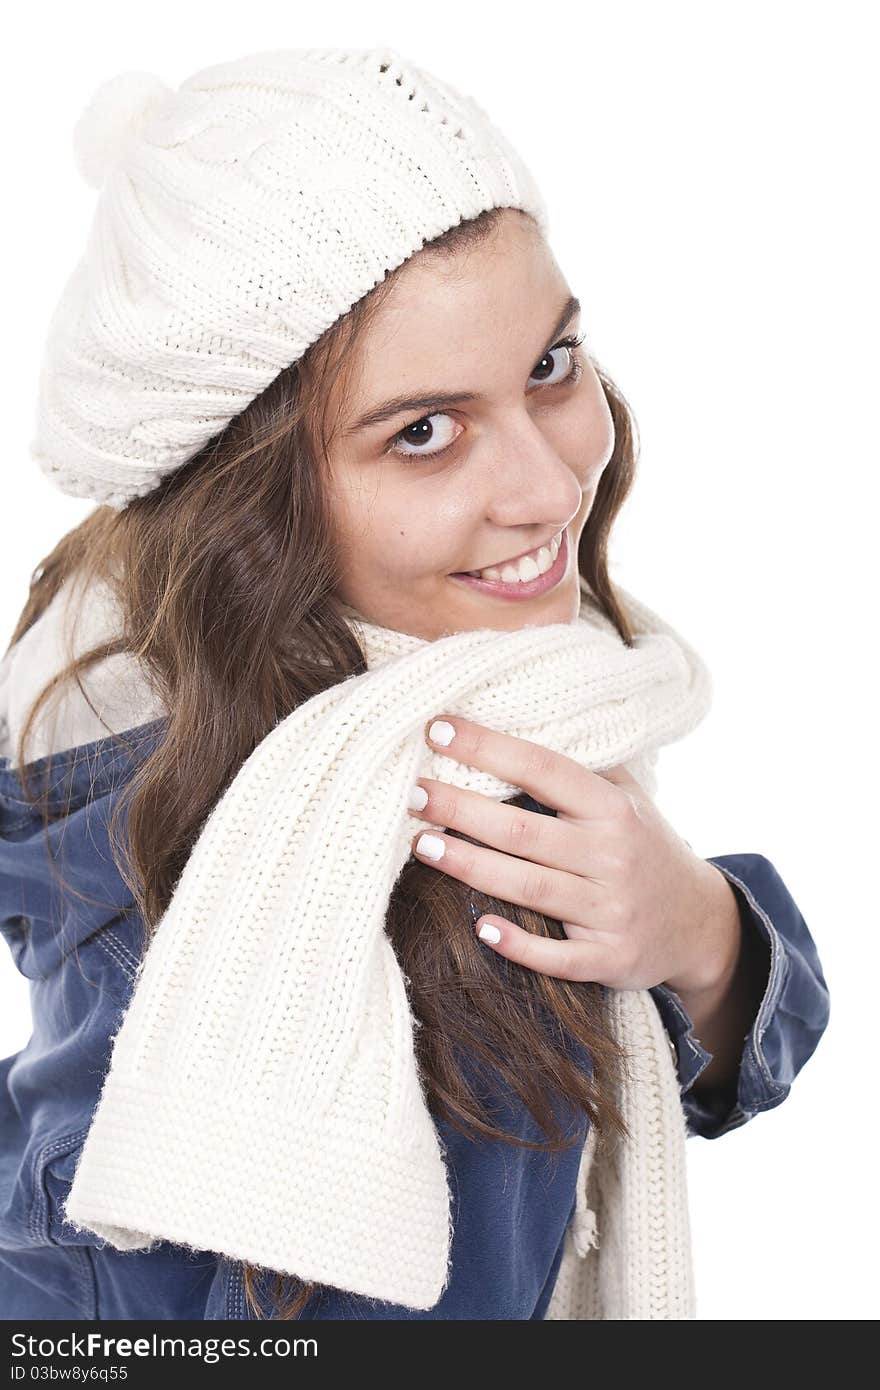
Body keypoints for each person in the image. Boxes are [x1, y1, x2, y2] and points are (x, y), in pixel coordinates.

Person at [0, 46, 829, 1321]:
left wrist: (698, 932)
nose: (553, 490)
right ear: (246, 497)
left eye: (551, 365)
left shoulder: (458, 713)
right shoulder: (346, 844)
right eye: (424, 431)